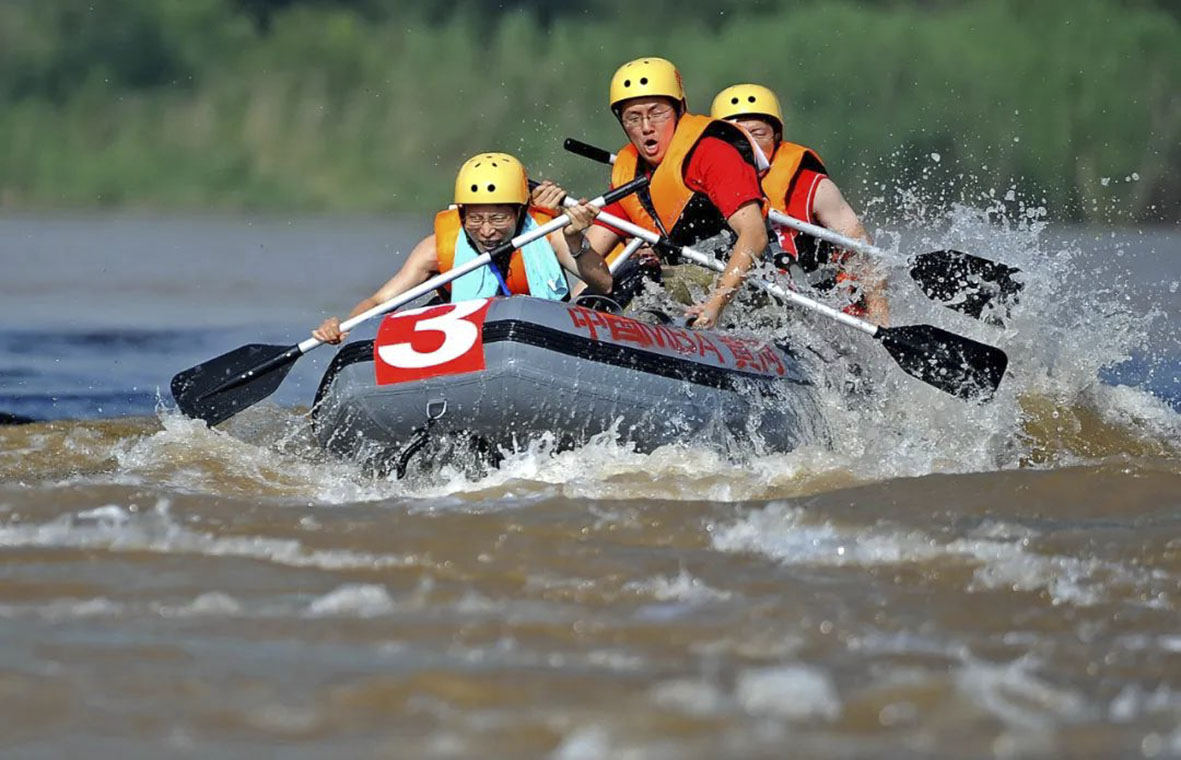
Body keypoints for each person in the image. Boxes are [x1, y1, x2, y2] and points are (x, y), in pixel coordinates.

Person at [313, 152, 609, 344]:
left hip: (538, 342)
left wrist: (574, 240)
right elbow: (380, 301)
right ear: (461, 213)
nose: (487, 230)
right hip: (465, 343)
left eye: (498, 218)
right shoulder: (435, 249)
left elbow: (604, 283)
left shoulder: (548, 235)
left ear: (520, 211)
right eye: (475, 219)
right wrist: (345, 326)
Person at [572, 57, 769, 330]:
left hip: (739, 287)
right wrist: (574, 239)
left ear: (680, 110)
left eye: (657, 113)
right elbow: (601, 279)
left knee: (648, 277)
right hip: (679, 283)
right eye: (633, 118)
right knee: (628, 276)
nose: (646, 127)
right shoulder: (629, 172)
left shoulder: (713, 153)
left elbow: (754, 235)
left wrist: (715, 304)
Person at [710, 83, 888, 323]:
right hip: (739, 299)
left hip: (811, 308)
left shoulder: (813, 187)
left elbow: (864, 255)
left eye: (758, 133)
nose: (748, 144)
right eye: (735, 135)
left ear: (776, 136)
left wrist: (880, 320)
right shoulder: (701, 183)